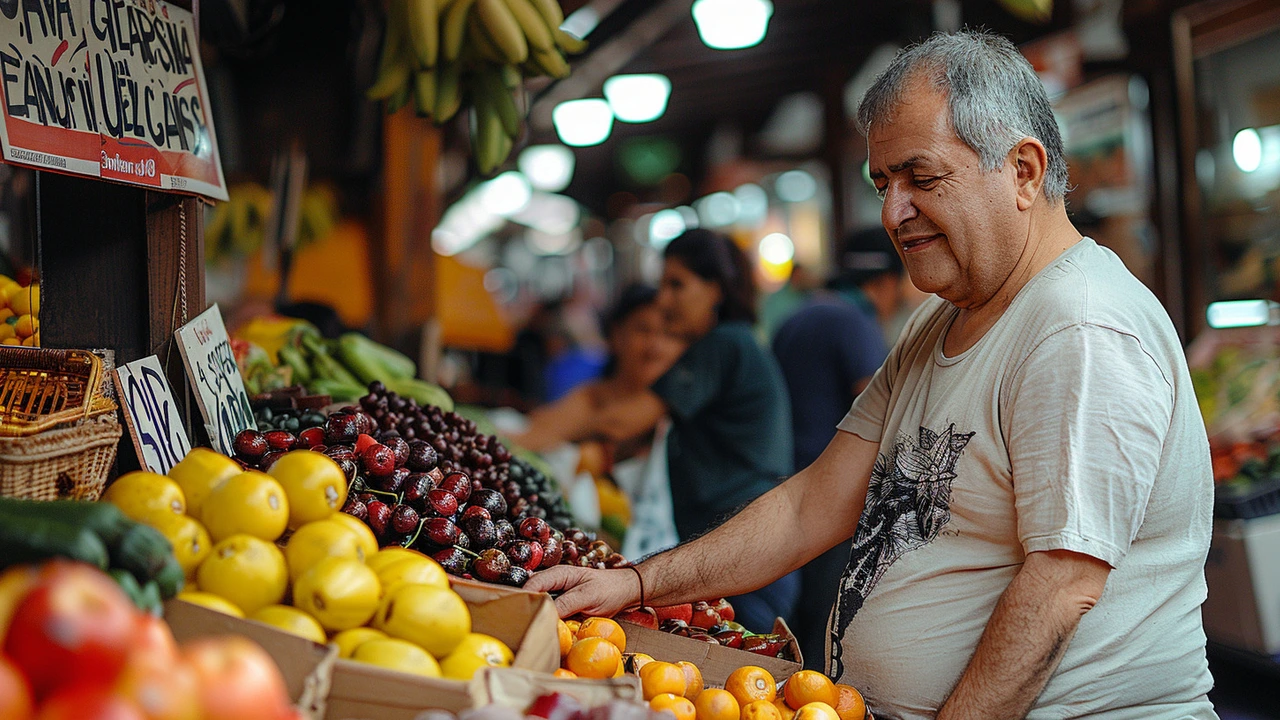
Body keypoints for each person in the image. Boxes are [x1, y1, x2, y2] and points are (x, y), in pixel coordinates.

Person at [528, 30, 1216, 720]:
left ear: (1024, 172)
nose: (893, 213)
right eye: (883, 183)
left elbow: (1061, 585)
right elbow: (810, 505)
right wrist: (637, 582)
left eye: (923, 178)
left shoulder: (1079, 328)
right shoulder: (937, 322)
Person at [771, 227, 903, 669]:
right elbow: (883, 409)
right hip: (832, 495)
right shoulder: (853, 322)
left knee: (801, 613)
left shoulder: (797, 316)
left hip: (789, 490)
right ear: (883, 283)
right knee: (825, 622)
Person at [508, 285, 682, 458]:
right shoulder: (591, 397)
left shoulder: (678, 408)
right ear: (616, 335)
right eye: (643, 330)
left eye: (670, 335)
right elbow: (537, 433)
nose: (656, 347)